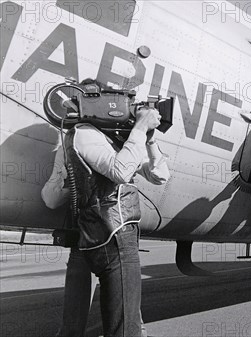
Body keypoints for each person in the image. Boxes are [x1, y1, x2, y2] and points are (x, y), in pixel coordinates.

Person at [46, 78, 169, 337]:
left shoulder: (106, 137)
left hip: (96, 232)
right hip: (113, 234)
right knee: (125, 328)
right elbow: (122, 171)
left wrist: (149, 139)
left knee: (85, 323)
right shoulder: (86, 133)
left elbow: (159, 176)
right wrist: (140, 127)